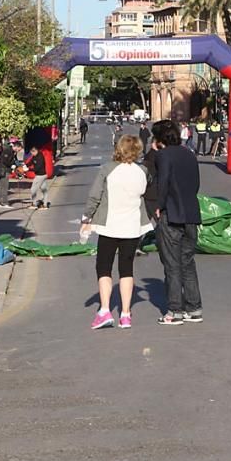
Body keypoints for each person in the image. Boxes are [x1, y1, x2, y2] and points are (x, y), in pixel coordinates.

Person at [81, 135, 153, 330]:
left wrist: (86, 217)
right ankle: (126, 314)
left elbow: (95, 196)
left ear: (119, 149)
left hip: (109, 226)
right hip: (132, 227)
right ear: (137, 150)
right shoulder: (143, 171)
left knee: (104, 267)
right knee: (126, 269)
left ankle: (105, 310)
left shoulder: (107, 169)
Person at [151, 119, 203, 325]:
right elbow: (196, 184)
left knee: (172, 263)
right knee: (188, 262)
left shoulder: (163, 155)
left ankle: (174, 311)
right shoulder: (190, 154)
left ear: (159, 138)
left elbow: (162, 181)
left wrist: (159, 205)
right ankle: (194, 307)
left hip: (171, 213)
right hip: (191, 213)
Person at [0, 138, 15, 208]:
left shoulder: (10, 151)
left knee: (1, 187)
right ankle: (4, 202)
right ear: (16, 146)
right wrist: (11, 165)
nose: (19, 150)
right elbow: (4, 160)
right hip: (4, 170)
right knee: (4, 187)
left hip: (3, 169)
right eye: (19, 149)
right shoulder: (8, 151)